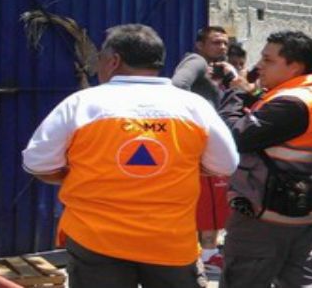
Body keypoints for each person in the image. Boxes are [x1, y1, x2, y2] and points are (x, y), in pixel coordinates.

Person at [22, 23, 239, 288]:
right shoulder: (193, 107)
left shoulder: (83, 104)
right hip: (169, 243)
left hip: (96, 241)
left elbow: (36, 162)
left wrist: (80, 172)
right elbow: (226, 164)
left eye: (100, 58)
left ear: (114, 61)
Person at [219, 30, 312, 288]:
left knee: (244, 279)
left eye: (268, 60)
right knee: (301, 278)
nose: (259, 65)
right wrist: (252, 94)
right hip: (299, 210)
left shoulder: (291, 103)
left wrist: (236, 92)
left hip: (265, 215)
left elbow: (232, 136)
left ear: (294, 66)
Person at [172, 25, 238, 269]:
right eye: (215, 42)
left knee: (212, 199)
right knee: (208, 199)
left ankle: (205, 251)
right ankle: (208, 256)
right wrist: (195, 118)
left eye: (224, 43)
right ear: (200, 45)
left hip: (206, 140)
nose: (222, 47)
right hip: (200, 141)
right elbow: (178, 85)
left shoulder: (214, 70)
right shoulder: (196, 61)